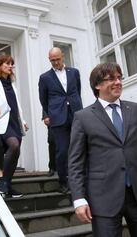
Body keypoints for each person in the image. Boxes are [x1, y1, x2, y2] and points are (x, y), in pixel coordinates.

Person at [68, 62, 137, 237]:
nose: (117, 82)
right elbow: (75, 164)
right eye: (111, 79)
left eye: (119, 78)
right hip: (103, 197)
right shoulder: (83, 117)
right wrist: (79, 199)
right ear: (97, 85)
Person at [38, 47, 83, 193]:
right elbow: (43, 99)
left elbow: (78, 90)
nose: (56, 62)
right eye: (52, 60)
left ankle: (78, 180)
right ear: (49, 60)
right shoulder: (44, 78)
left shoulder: (74, 72)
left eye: (57, 59)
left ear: (63, 57)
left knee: (78, 148)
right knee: (62, 150)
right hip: (58, 117)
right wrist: (48, 114)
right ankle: (63, 181)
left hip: (76, 114)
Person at [0, 55, 28, 198]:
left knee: (15, 153)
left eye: (11, 64)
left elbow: (16, 105)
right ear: (0, 65)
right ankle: (3, 183)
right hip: (2, 121)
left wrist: (23, 120)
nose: (10, 66)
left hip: (15, 121)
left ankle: (7, 185)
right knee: (13, 145)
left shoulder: (12, 84)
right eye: (7, 64)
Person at [42, 110, 56, 176]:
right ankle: (52, 167)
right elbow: (44, 100)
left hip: (67, 117)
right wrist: (45, 116)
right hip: (53, 116)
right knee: (52, 140)